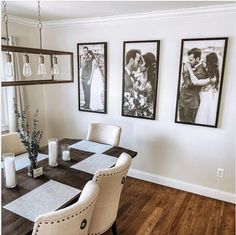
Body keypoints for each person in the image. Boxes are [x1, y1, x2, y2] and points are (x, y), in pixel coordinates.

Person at [178, 48, 212, 123]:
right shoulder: (192, 66)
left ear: (197, 58)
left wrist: (186, 70)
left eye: (191, 60)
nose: (188, 62)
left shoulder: (202, 71)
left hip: (191, 105)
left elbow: (188, 84)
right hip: (183, 102)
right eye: (188, 60)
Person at [186, 52, 219, 125]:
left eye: (205, 61)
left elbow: (195, 82)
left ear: (209, 63)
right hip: (202, 104)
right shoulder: (209, 74)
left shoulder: (213, 78)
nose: (202, 63)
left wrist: (189, 69)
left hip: (205, 107)